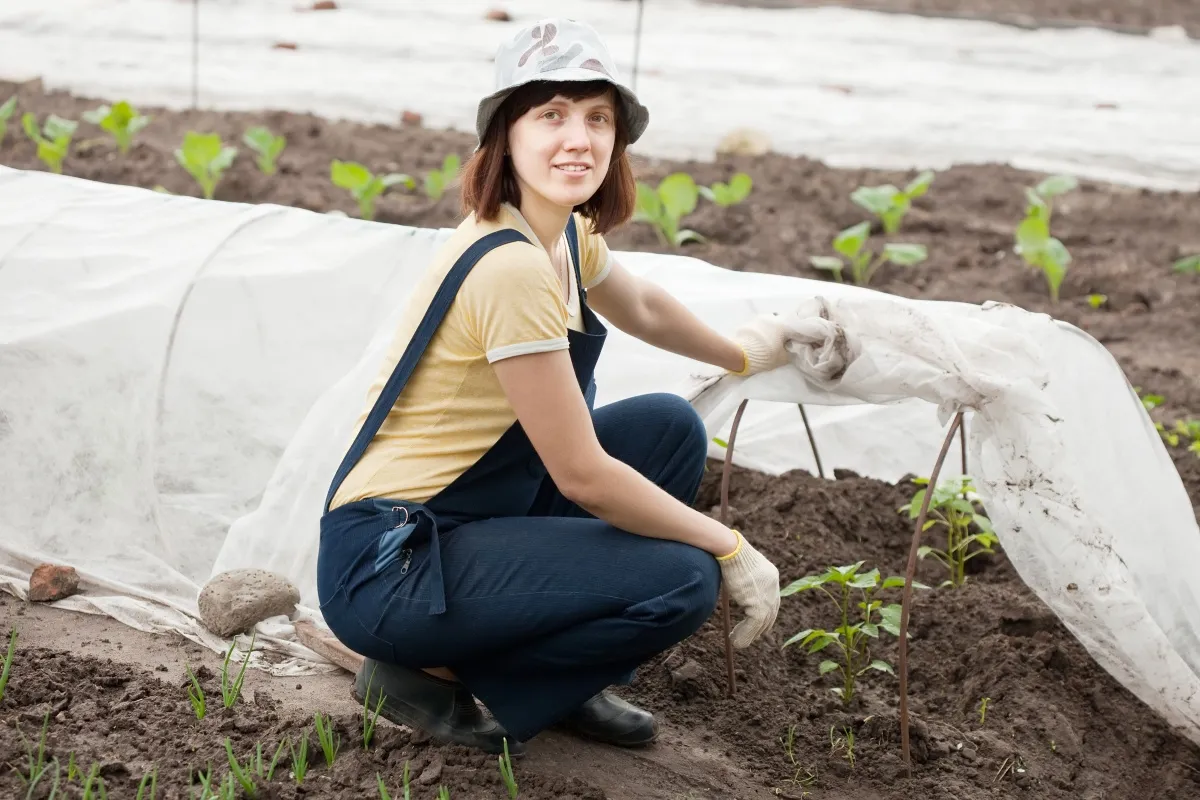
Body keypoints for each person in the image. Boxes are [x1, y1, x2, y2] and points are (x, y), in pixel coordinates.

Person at [317, 17, 789, 756]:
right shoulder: (508, 265)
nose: (580, 137)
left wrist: (740, 355)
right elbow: (584, 477)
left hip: (472, 509)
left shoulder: (561, 230)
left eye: (598, 117)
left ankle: (561, 681)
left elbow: (639, 306)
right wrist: (730, 545)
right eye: (552, 114)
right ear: (506, 134)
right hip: (394, 561)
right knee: (683, 580)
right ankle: (427, 674)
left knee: (668, 427)